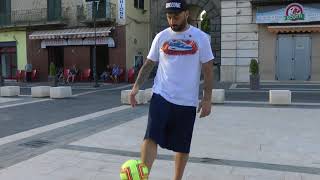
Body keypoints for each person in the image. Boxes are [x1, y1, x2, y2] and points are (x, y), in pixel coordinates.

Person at [129, 0, 214, 179]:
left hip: (187, 101)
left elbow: (207, 69)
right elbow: (149, 63)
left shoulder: (201, 38)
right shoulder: (161, 37)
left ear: (186, 14)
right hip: (161, 95)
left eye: (176, 17)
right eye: (169, 17)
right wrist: (136, 87)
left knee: (182, 145)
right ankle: (143, 176)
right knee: (151, 135)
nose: (172, 21)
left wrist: (207, 99)